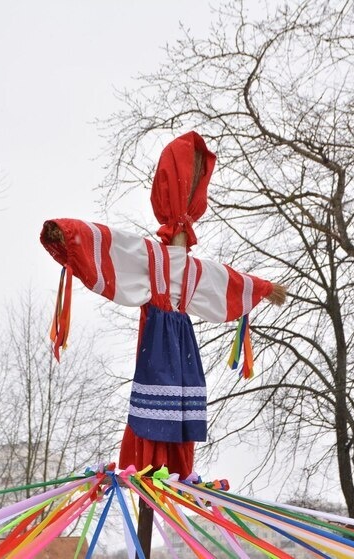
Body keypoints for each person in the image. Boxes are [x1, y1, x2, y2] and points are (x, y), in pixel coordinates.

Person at [40, 131, 285, 477]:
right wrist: (66, 233)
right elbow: (110, 245)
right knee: (155, 408)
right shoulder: (151, 257)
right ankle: (151, 467)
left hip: (176, 343)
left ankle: (175, 470)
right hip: (160, 341)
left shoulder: (191, 269)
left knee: (178, 406)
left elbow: (228, 282)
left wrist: (264, 288)